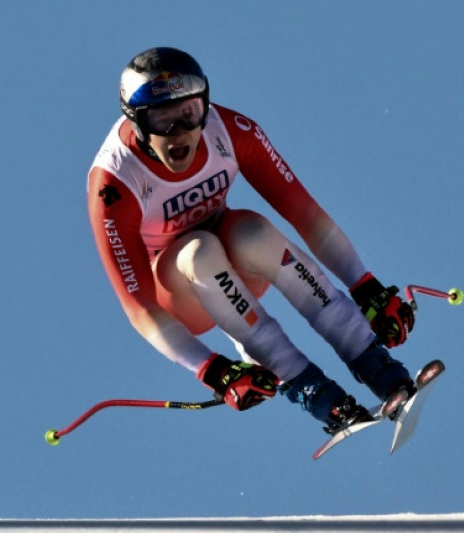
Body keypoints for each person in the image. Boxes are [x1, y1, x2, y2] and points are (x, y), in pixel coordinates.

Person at [86, 47, 417, 434]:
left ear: (204, 105)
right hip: (180, 295)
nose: (180, 132)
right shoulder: (115, 182)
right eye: (162, 119)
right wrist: (211, 369)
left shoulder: (229, 130)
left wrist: (365, 285)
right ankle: (316, 394)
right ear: (138, 123)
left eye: (189, 113)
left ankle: (376, 365)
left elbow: (305, 213)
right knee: (199, 252)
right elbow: (139, 308)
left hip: (238, 262)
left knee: (253, 232)